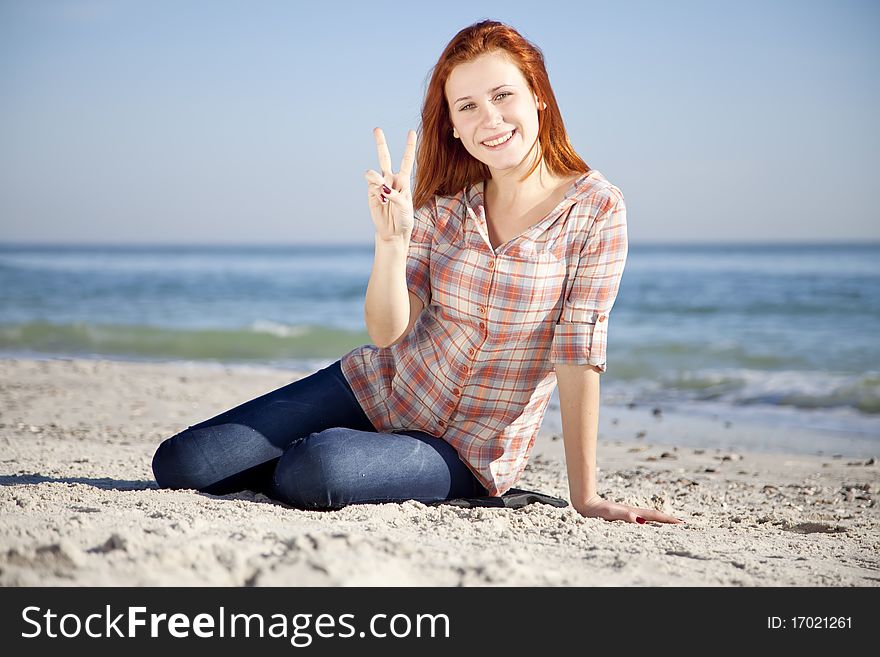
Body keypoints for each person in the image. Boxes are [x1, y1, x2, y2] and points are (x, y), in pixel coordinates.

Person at [152, 19, 682, 525]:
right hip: (375, 387)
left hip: (466, 448)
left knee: (316, 468)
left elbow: (578, 352)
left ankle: (342, 463)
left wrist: (585, 496)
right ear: (452, 124)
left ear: (537, 94)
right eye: (468, 106)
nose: (490, 120)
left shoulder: (596, 209)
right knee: (182, 465)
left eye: (503, 96)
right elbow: (387, 333)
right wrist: (391, 240)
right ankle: (327, 458)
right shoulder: (446, 206)